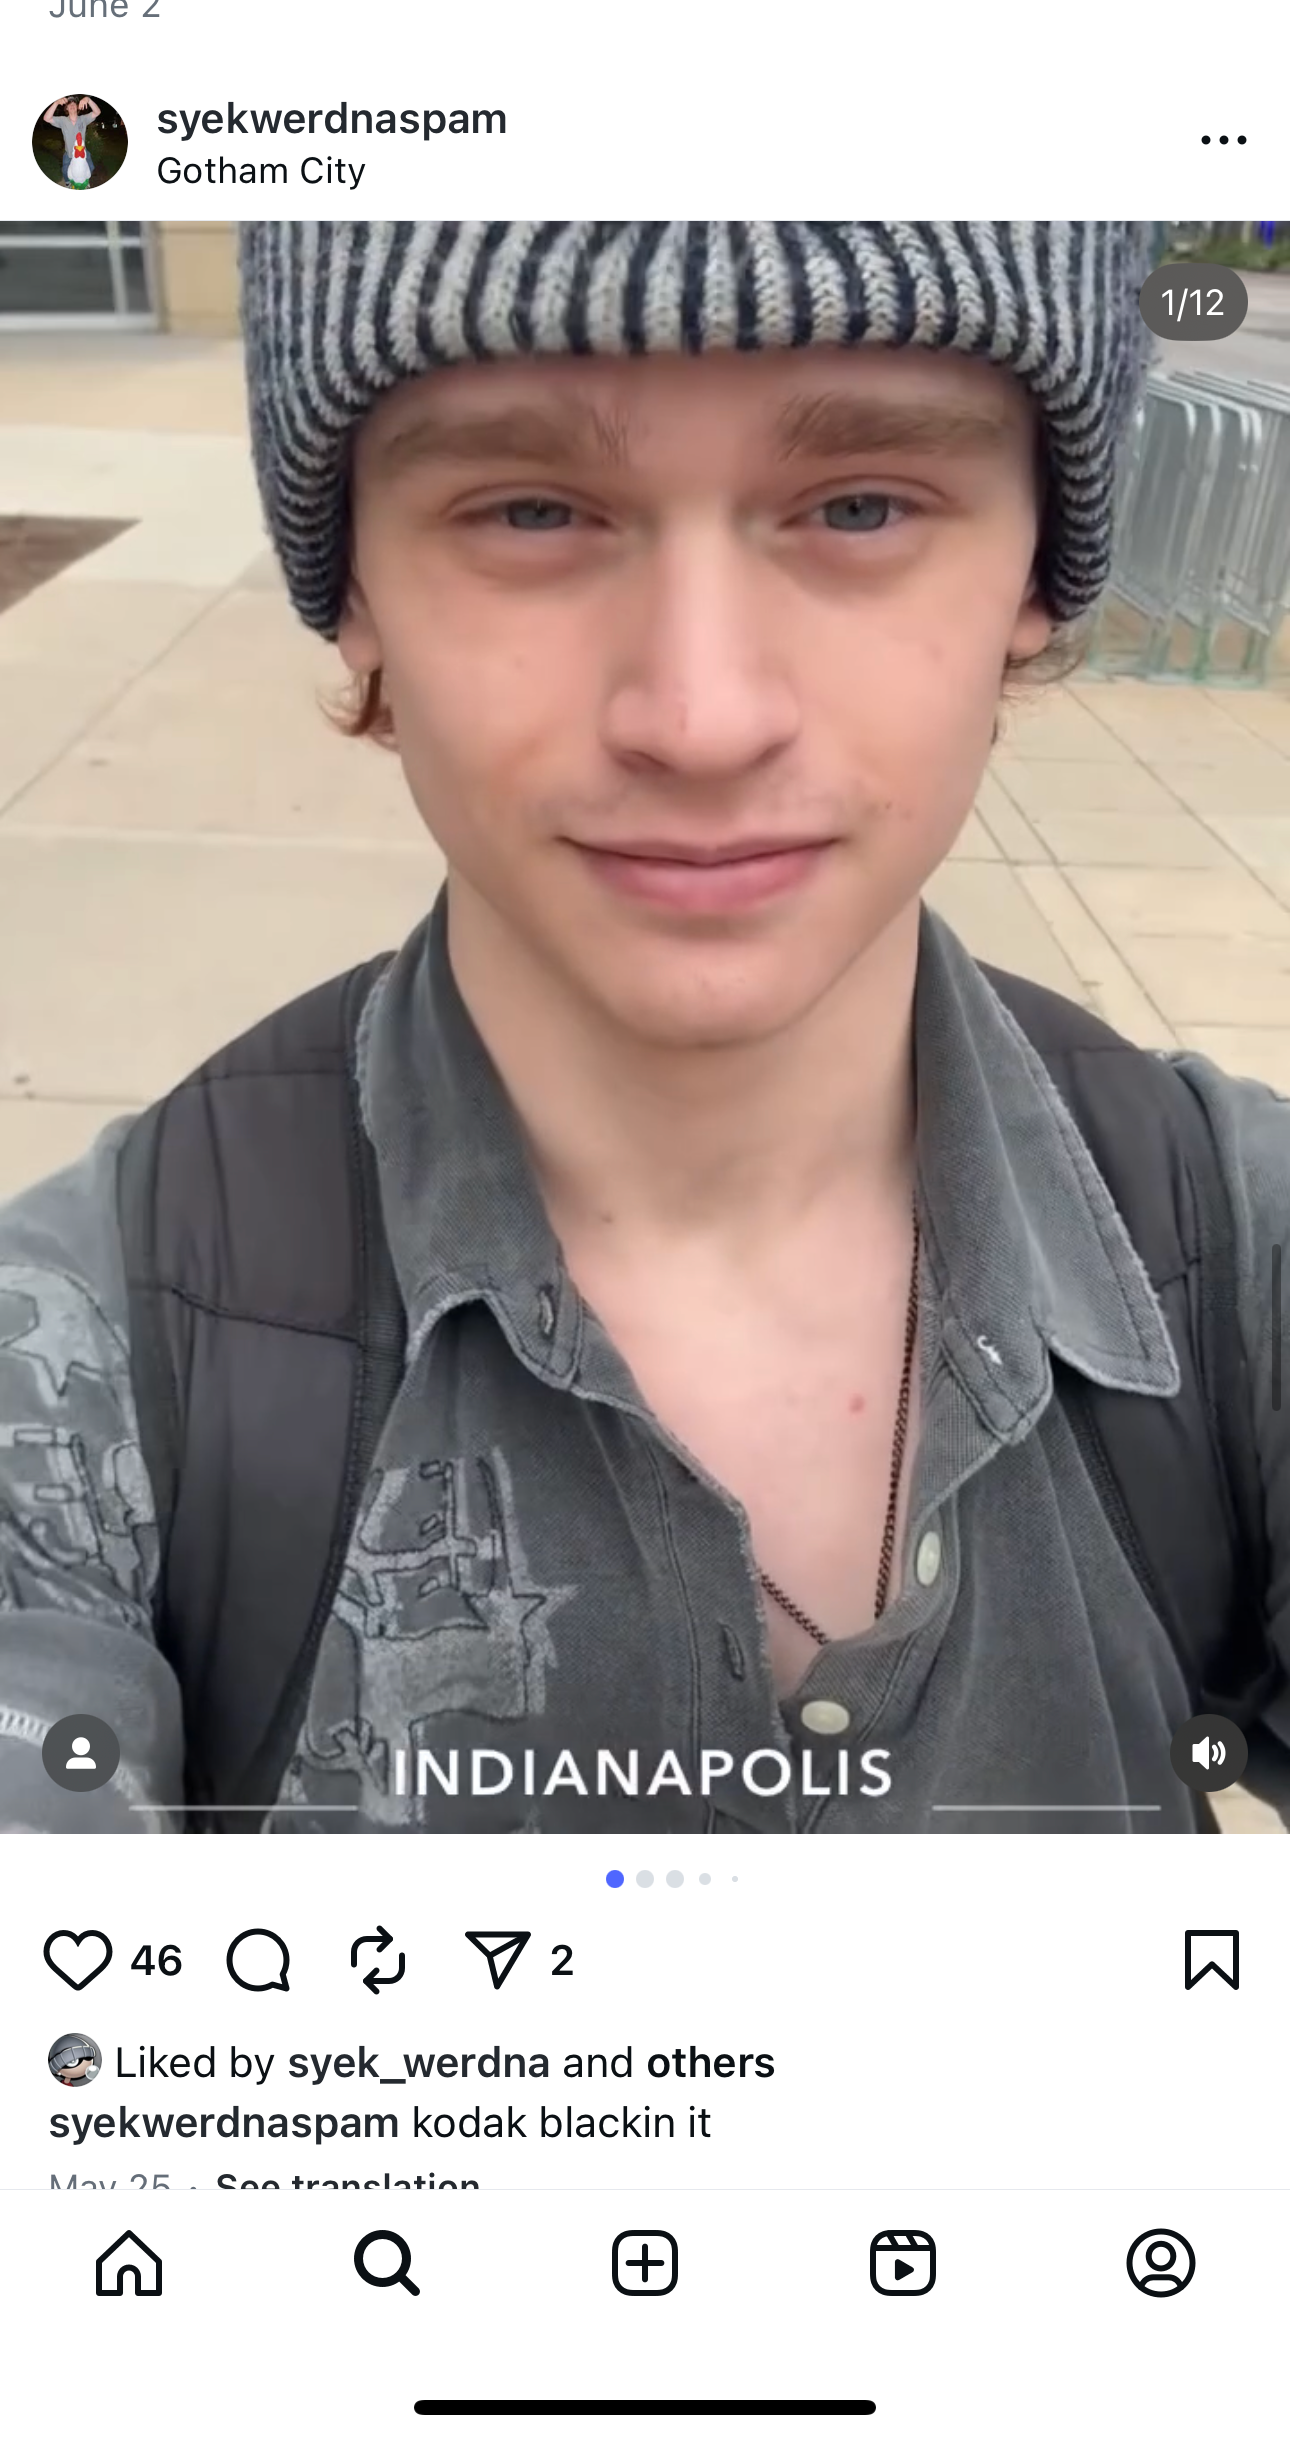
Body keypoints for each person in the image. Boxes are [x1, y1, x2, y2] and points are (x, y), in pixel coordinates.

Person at [1, 220, 1288, 1838]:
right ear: (356, 593)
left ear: (1035, 573)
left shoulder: (1236, 1263)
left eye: (861, 506)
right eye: (531, 510)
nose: (701, 718)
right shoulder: (89, 1366)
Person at [42, 96, 100, 184]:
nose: (72, 105)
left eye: (74, 104)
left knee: (90, 167)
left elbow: (97, 112)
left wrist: (88, 99)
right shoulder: (62, 120)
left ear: (77, 107)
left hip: (82, 152)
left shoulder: (83, 119)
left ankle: (85, 181)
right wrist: (56, 103)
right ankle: (68, 183)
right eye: (69, 104)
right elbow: (46, 118)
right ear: (66, 108)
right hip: (69, 153)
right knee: (65, 171)